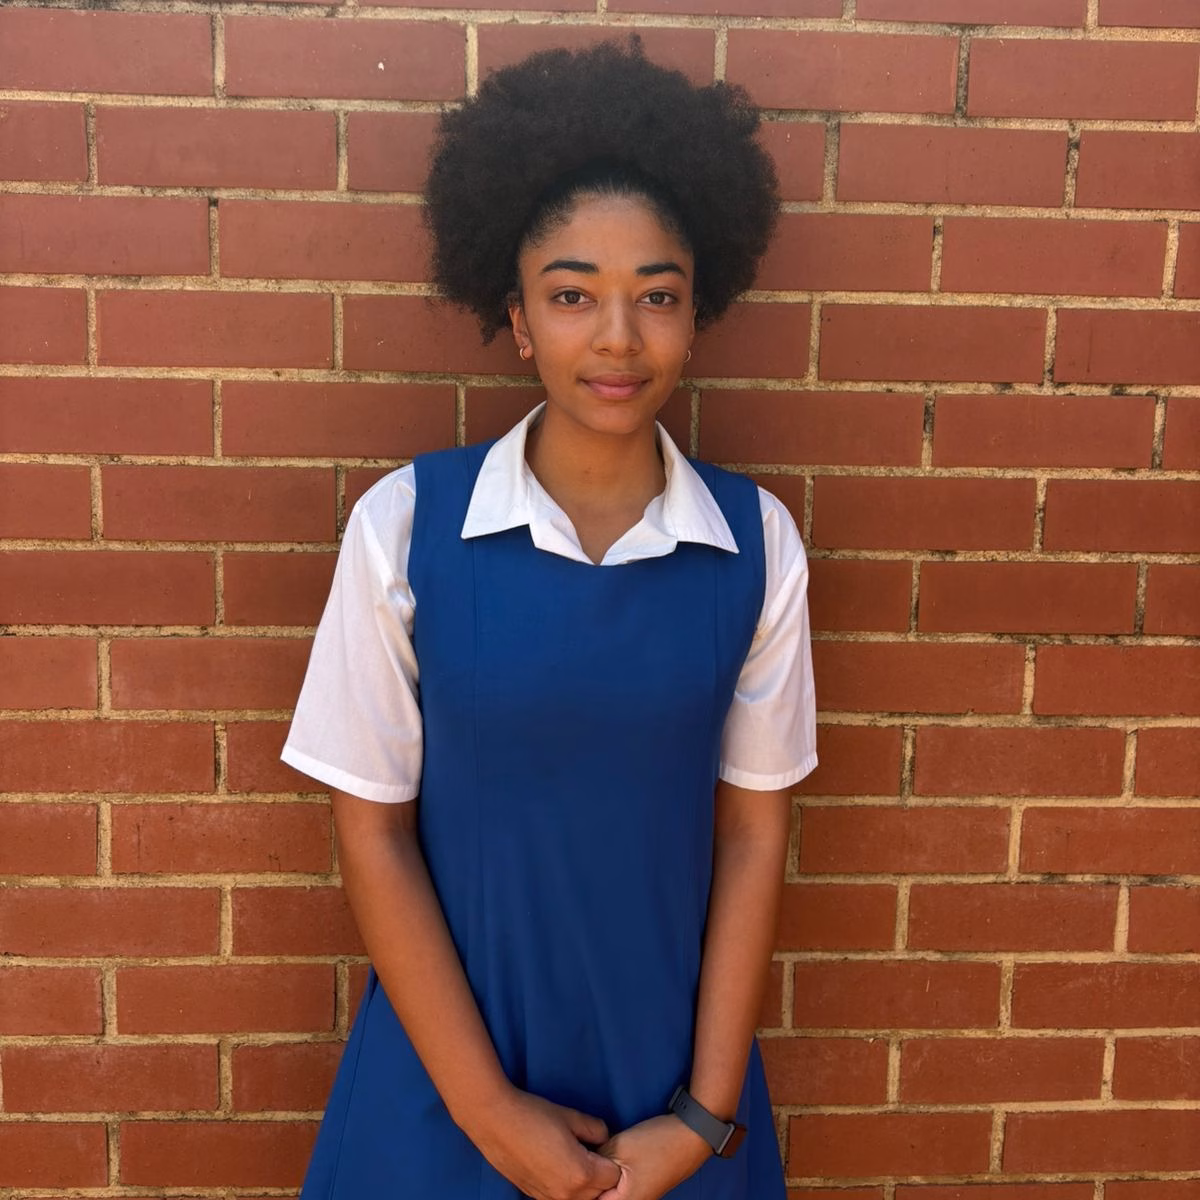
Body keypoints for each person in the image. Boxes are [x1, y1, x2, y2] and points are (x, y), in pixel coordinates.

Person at [281, 39, 817, 1200]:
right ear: (518, 318)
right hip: (446, 1089)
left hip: (669, 1096)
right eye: (572, 295)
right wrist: (491, 1116)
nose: (617, 336)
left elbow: (751, 836)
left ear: (697, 311)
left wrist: (704, 1118)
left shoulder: (754, 544)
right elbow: (371, 832)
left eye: (656, 296)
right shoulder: (406, 527)